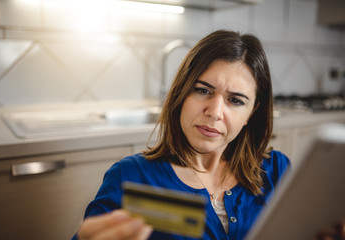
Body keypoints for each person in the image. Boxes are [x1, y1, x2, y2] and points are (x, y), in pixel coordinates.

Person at [72, 30, 291, 240]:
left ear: (252, 113)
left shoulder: (276, 171)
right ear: (181, 93)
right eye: (203, 90)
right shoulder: (133, 177)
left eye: (235, 100)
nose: (214, 112)